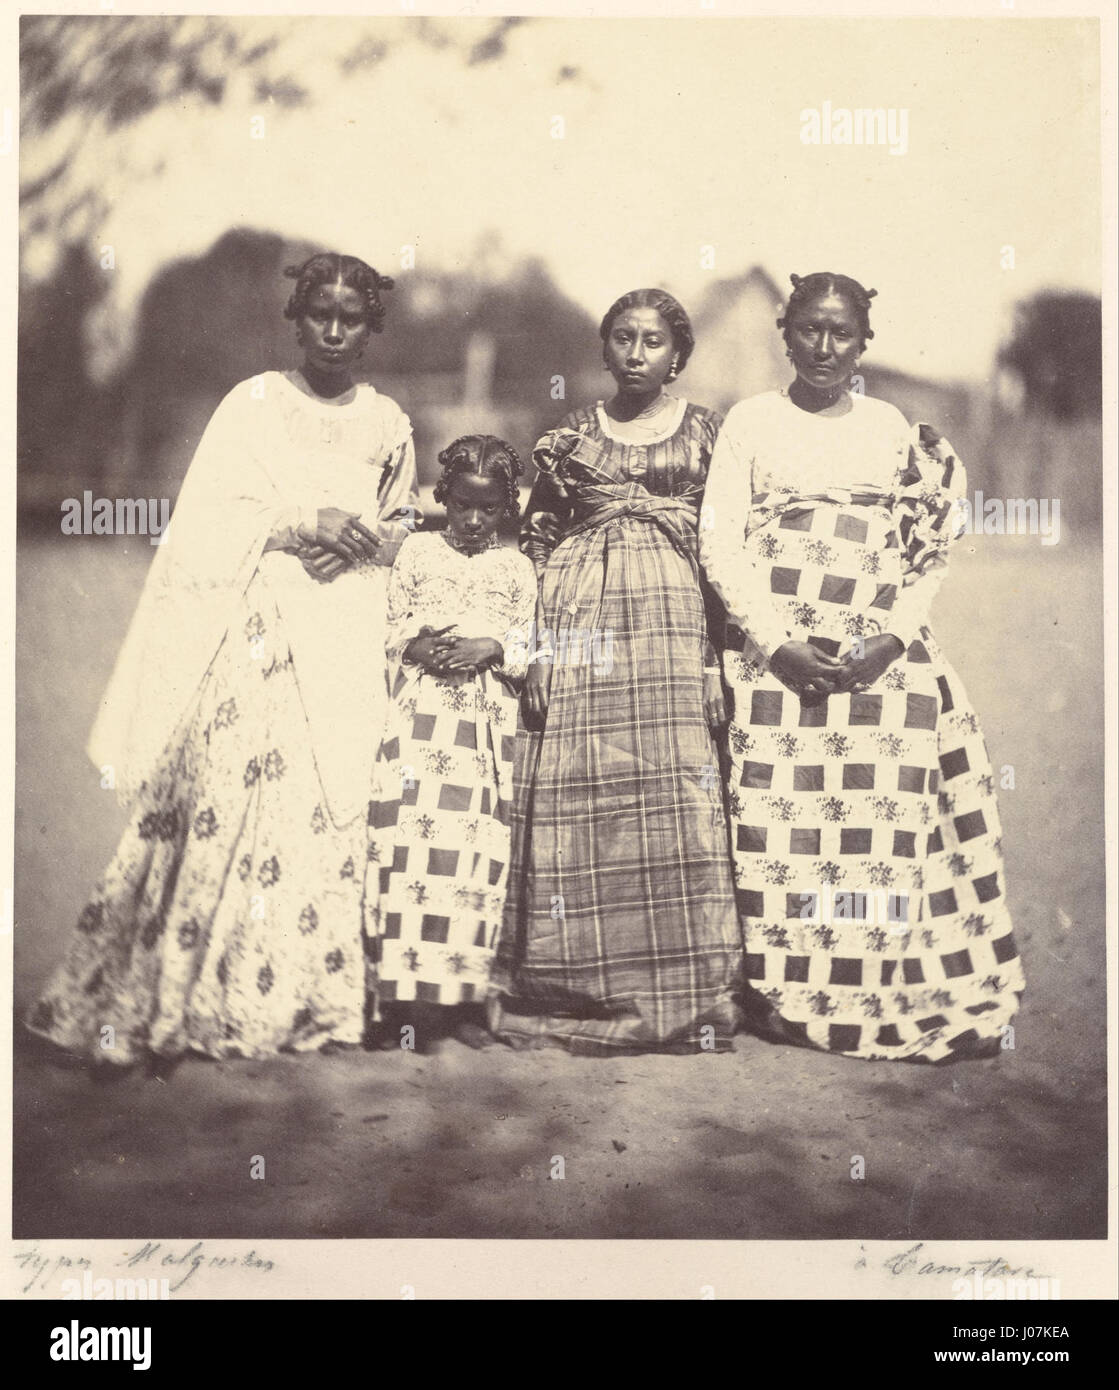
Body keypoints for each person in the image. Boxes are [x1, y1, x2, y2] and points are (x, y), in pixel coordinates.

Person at [25, 251, 421, 1066]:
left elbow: (401, 527)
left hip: (339, 630)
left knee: (325, 804)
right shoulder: (253, 405)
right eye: (321, 313)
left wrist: (363, 544)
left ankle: (296, 998)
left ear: (371, 327)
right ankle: (177, 993)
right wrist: (299, 519)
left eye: (352, 316)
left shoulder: (387, 422)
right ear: (298, 317)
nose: (336, 330)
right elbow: (202, 518)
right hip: (255, 623)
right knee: (219, 793)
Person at [699, 271, 1025, 1061]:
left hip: (875, 649)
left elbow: (925, 551)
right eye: (808, 329)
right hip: (778, 649)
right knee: (784, 818)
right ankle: (788, 990)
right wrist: (776, 643)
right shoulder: (749, 422)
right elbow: (720, 542)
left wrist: (890, 640)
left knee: (898, 778)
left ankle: (877, 979)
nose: (823, 347)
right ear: (785, 332)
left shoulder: (889, 429)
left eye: (840, 333)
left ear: (863, 343)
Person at [490, 288, 742, 1054]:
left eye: (653, 341)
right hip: (579, 630)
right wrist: (532, 647)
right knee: (580, 791)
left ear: (678, 356)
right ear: (604, 350)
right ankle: (568, 985)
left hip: (670, 638)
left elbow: (724, 554)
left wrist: (715, 662)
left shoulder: (708, 437)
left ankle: (681, 991)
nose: (636, 353)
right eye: (623, 338)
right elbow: (534, 542)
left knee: (667, 796)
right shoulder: (569, 439)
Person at [364, 435, 536, 1051]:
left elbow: (528, 648)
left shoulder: (516, 568)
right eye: (463, 504)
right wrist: (415, 645)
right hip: (418, 722)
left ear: (506, 508)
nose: (473, 519)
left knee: (472, 860)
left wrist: (491, 647)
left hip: (482, 734)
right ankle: (399, 1005)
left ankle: (461, 1005)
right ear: (445, 498)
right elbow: (387, 623)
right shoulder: (417, 552)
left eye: (488, 509)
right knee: (408, 851)